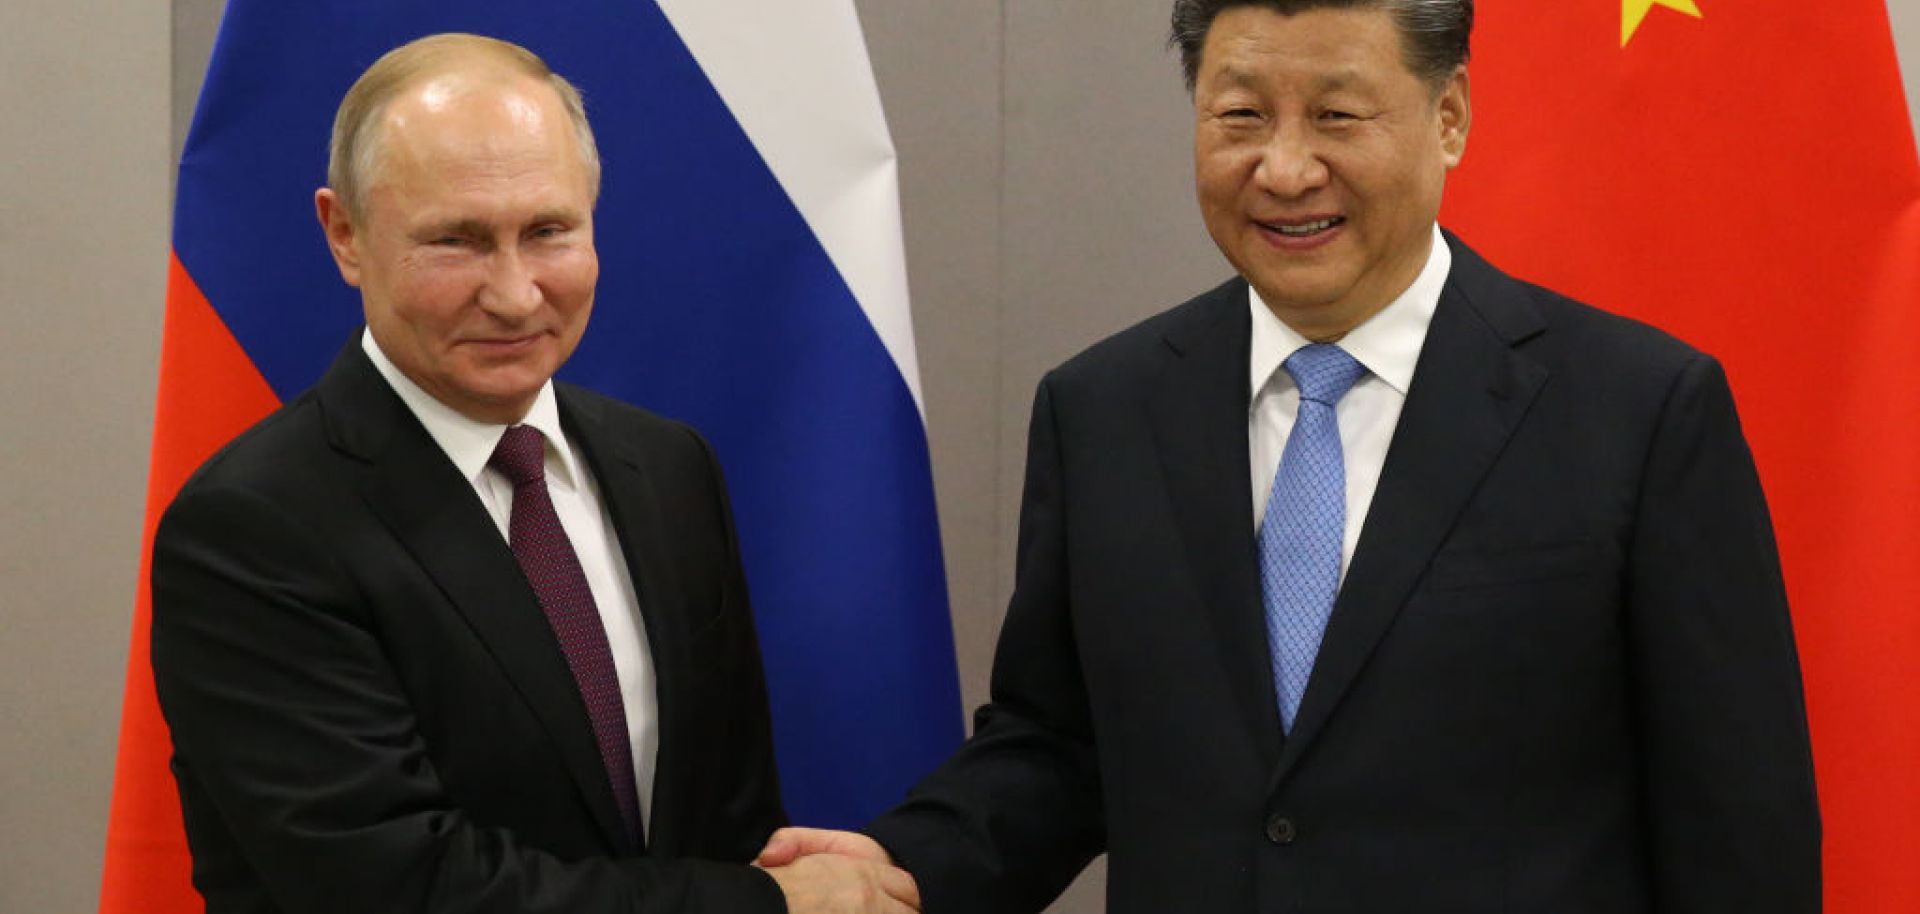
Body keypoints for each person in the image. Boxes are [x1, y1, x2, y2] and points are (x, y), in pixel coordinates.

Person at [758, 1, 1821, 911]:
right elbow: (1062, 742)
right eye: (1240, 116)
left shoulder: (1638, 409)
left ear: (1449, 117)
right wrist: (905, 865)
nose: (1284, 166)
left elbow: (1737, 824)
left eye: (1338, 116)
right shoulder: (1104, 409)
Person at [151, 33, 917, 914]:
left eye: (548, 231)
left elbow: (726, 818)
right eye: (458, 242)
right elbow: (397, 887)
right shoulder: (253, 528)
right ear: (345, 235)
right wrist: (774, 906)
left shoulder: (668, 469)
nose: (515, 294)